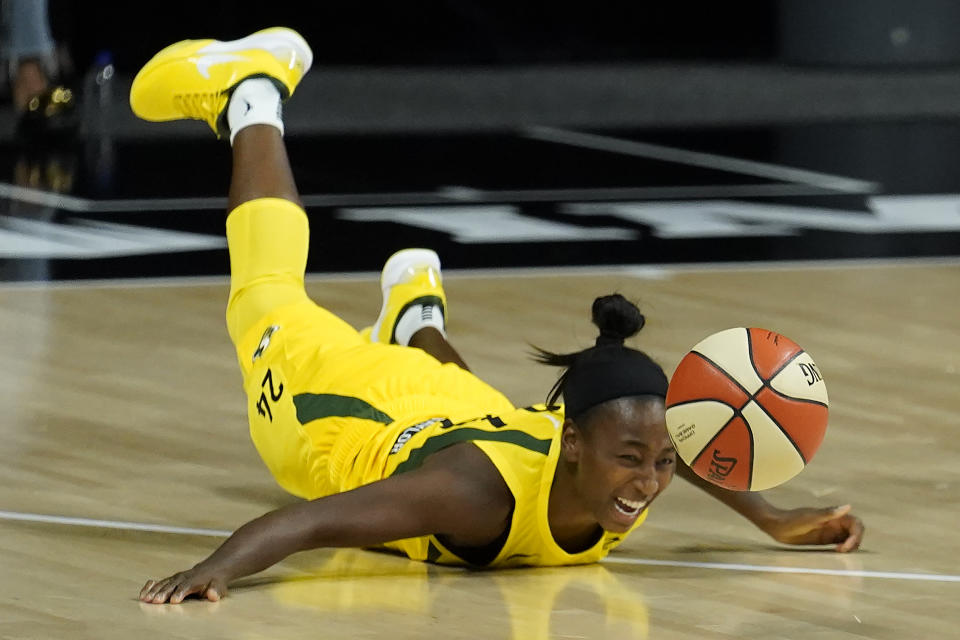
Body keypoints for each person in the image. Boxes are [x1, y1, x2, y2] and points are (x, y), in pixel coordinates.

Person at [131, 28, 864, 605]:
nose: (647, 482)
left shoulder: (616, 446)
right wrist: (216, 569)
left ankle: (415, 318)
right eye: (633, 462)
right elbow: (312, 522)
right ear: (572, 441)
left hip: (468, 412)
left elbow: (678, 445)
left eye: (660, 463)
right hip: (344, 413)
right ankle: (250, 93)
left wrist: (772, 517)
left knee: (477, 403)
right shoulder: (471, 493)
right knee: (264, 298)